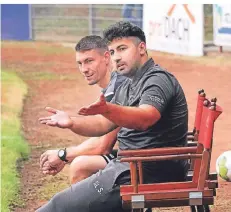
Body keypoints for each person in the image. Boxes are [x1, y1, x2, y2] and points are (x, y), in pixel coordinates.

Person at [37, 21, 188, 212]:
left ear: (142, 48)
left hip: (146, 171)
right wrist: (71, 122)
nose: (117, 57)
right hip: (131, 167)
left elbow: (145, 117)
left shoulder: (156, 79)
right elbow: (102, 124)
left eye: (122, 49)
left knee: (56, 207)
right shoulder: (129, 83)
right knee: (61, 203)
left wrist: (108, 109)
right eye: (113, 51)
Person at [39, 35, 126, 184]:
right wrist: (65, 155)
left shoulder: (118, 88)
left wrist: (63, 155)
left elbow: (102, 146)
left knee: (80, 166)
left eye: (89, 61)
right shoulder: (112, 86)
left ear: (106, 57)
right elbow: (100, 137)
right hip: (139, 155)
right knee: (80, 161)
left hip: (149, 159)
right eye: (80, 63)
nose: (84, 69)